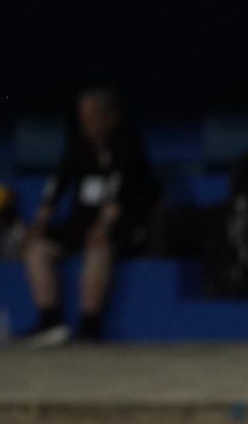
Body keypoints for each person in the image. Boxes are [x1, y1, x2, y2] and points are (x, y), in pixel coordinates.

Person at [20, 87, 158, 346]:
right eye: (83, 116)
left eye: (93, 116)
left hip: (121, 227)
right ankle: (50, 321)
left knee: (99, 245)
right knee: (36, 247)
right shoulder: (79, 145)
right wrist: (40, 223)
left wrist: (102, 227)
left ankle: (89, 325)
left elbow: (119, 194)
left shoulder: (127, 144)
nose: (87, 123)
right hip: (80, 224)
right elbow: (57, 186)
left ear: (110, 117)